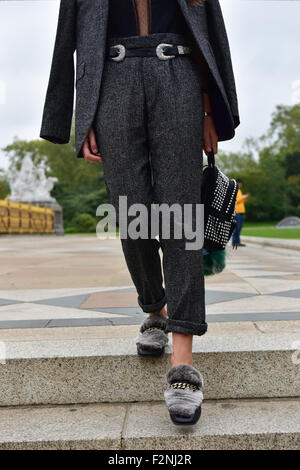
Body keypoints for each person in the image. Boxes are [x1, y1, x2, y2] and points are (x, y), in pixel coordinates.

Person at [40, 0, 240, 426]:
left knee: (181, 218)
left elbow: (209, 32)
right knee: (131, 214)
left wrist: (210, 109)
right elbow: (68, 43)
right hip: (114, 82)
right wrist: (80, 117)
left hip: (179, 80)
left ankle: (182, 361)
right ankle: (155, 309)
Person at [232, 178, 250, 248]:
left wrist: (245, 198)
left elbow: (242, 201)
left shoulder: (239, 191)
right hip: (237, 212)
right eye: (240, 184)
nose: (241, 185)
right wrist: (243, 197)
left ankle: (238, 242)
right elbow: (235, 200)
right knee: (236, 228)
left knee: (239, 228)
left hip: (241, 212)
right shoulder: (235, 190)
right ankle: (234, 242)